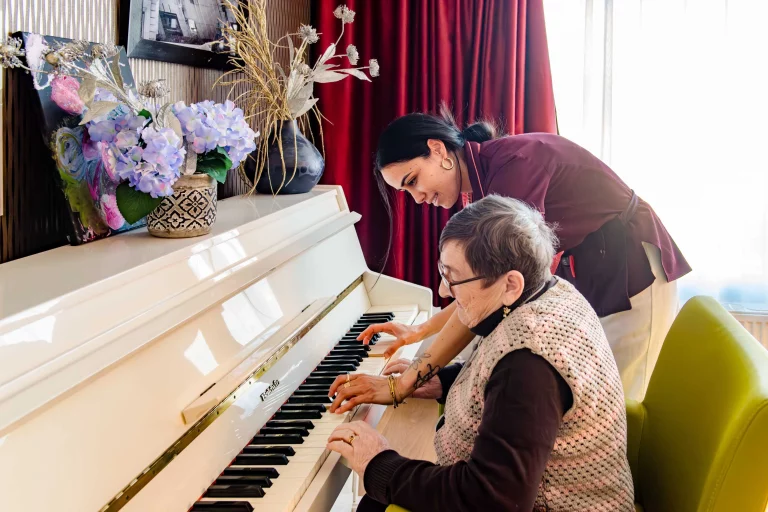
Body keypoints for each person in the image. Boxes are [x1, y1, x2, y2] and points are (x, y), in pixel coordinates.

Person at [326, 196, 634, 511]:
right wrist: (443, 381)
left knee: (373, 503)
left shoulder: (529, 366)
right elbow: (501, 381)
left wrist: (378, 463)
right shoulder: (551, 292)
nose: (444, 291)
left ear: (510, 284)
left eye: (453, 278)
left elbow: (491, 501)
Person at [363, 106, 691, 401]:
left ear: (437, 150)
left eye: (413, 181)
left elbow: (488, 292)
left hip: (632, 272)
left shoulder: (512, 168)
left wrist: (408, 380)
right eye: (406, 191)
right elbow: (482, 294)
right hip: (596, 271)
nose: (417, 197)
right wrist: (420, 332)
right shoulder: (483, 180)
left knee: (621, 402)